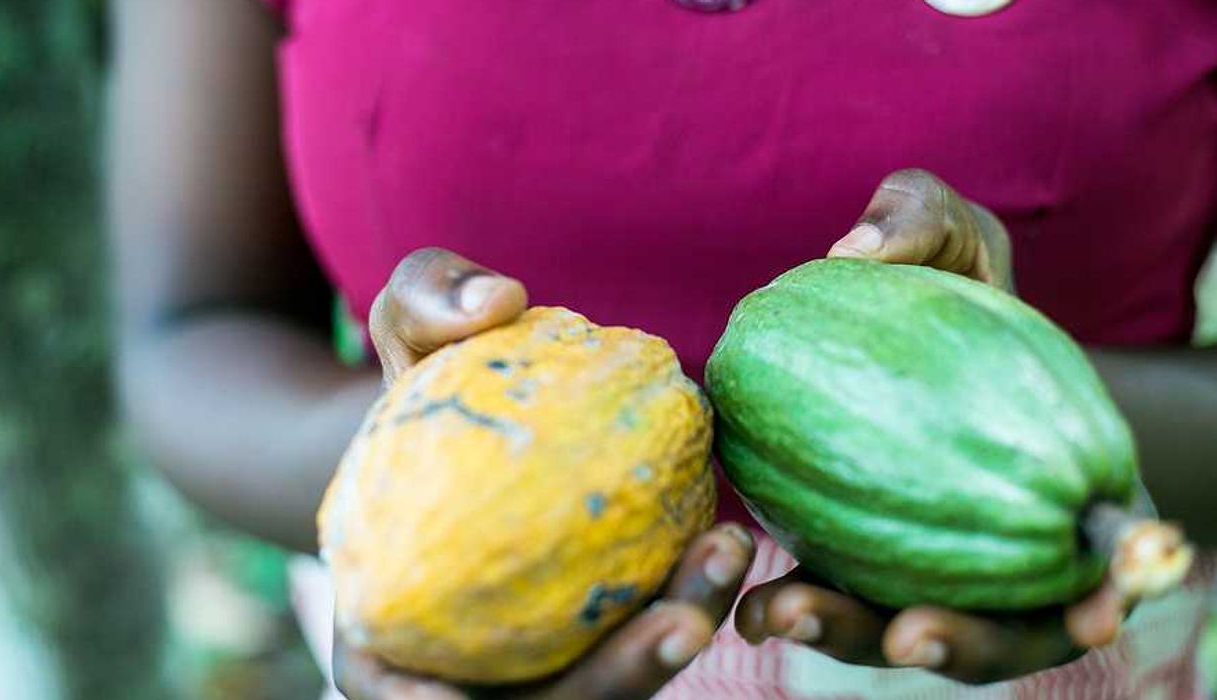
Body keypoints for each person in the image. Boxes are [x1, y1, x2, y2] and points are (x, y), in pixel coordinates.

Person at [108, 0, 1217, 698]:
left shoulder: (1046, 480)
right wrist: (443, 473)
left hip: (1067, 624)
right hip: (500, 621)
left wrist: (1008, 418)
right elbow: (191, 334)